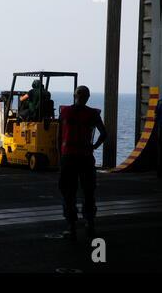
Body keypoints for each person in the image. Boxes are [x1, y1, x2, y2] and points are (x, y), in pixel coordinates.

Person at [57, 86, 107, 240]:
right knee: (88, 191)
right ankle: (90, 224)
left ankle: (71, 227)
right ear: (88, 97)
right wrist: (93, 147)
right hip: (85, 157)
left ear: (74, 95)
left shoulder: (64, 112)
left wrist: (61, 157)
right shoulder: (92, 114)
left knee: (68, 192)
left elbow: (59, 138)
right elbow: (103, 134)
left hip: (68, 158)